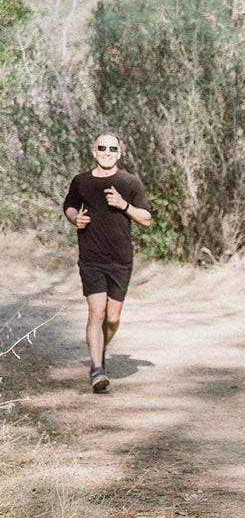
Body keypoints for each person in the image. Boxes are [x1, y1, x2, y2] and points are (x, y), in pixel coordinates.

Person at [62, 132, 152, 392]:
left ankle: (99, 352)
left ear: (119, 153)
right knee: (96, 312)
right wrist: (74, 218)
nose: (107, 152)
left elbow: (145, 218)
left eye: (113, 149)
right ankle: (97, 368)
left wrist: (124, 205)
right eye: (102, 147)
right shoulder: (82, 181)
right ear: (94, 151)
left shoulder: (130, 182)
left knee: (112, 318)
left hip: (121, 260)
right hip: (91, 258)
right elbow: (69, 205)